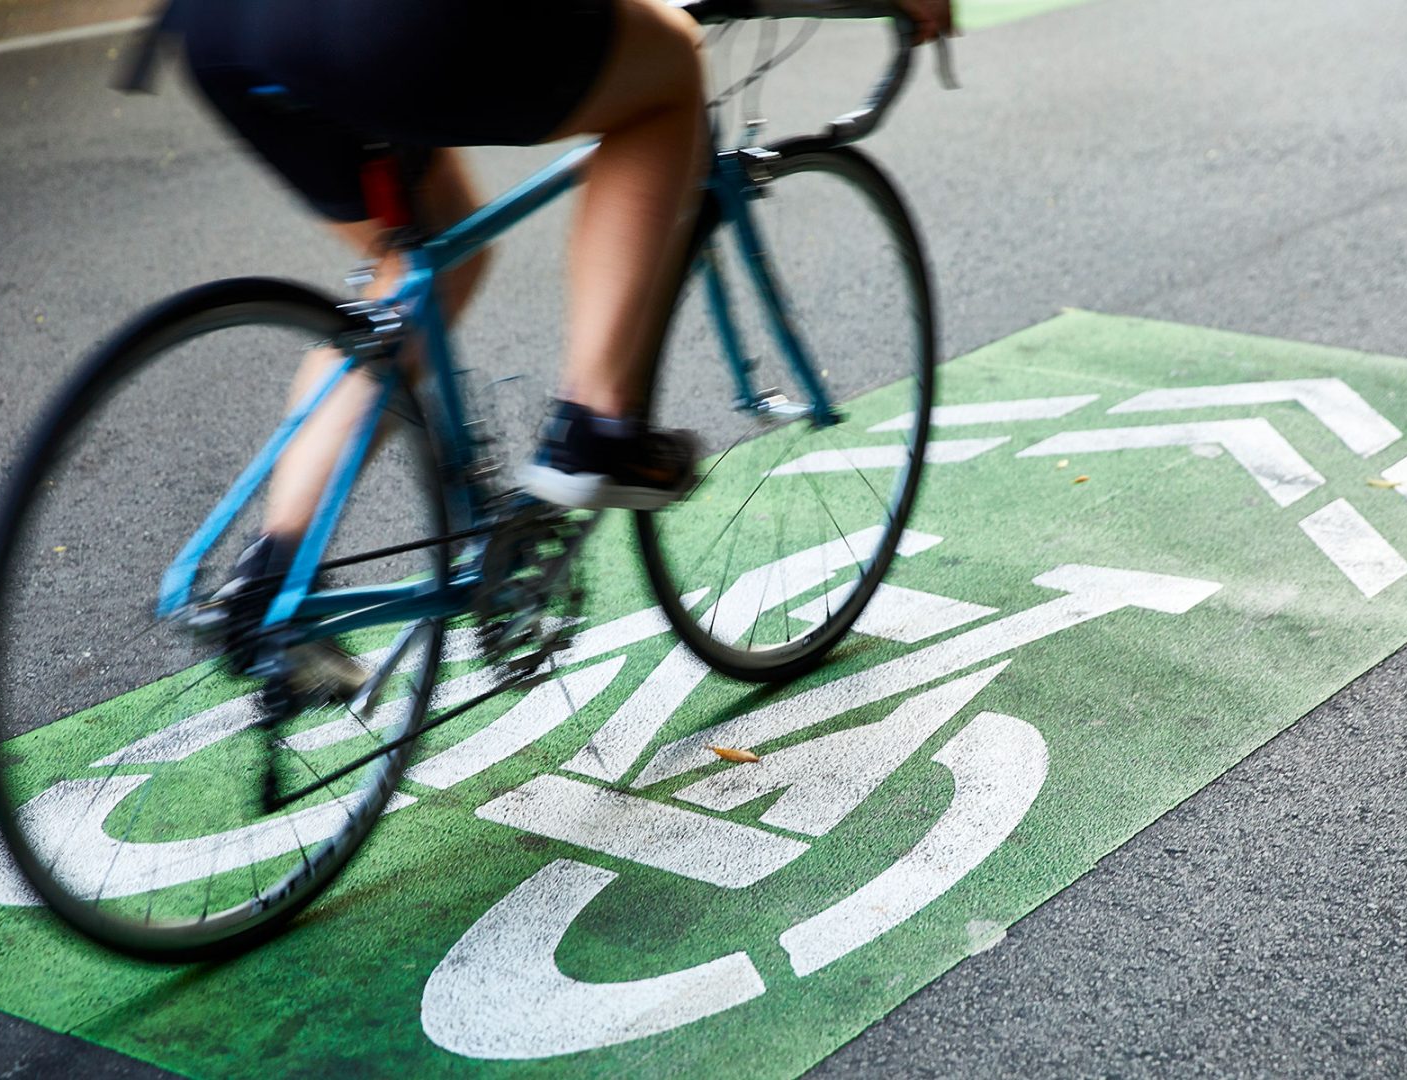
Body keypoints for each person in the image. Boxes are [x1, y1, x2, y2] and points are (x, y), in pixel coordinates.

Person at [163, 0, 950, 679]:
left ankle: (272, 579)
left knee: (426, 265)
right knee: (670, 68)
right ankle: (593, 425)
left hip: (223, 32)